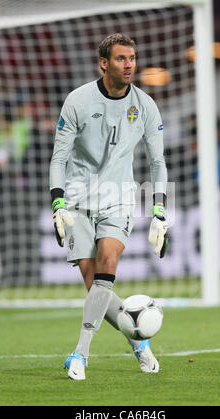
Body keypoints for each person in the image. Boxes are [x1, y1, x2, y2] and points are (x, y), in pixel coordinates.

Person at [49, 33, 168, 381]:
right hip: (76, 199)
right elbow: (59, 158)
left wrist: (159, 209)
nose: (129, 64)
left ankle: (80, 354)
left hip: (118, 198)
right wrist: (58, 203)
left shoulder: (145, 105)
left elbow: (157, 162)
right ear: (104, 63)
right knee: (95, 285)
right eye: (121, 59)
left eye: (132, 58)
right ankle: (139, 343)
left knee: (107, 267)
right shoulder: (77, 101)